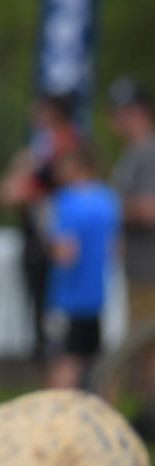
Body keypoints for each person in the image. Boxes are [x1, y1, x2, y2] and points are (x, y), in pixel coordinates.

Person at [0, 92, 80, 359]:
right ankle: (51, 370)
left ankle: (59, 376)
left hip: (53, 242)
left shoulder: (64, 145)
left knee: (53, 318)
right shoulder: (43, 147)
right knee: (42, 316)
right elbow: (6, 193)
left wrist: (21, 187)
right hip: (39, 239)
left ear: (52, 113)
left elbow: (16, 192)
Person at [41, 146, 120, 389]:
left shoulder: (66, 201)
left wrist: (46, 245)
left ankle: (58, 422)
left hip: (68, 297)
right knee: (99, 362)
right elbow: (117, 248)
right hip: (99, 296)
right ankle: (103, 420)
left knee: (65, 361)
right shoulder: (110, 200)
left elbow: (65, 253)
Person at [108, 76, 155, 437]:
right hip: (138, 269)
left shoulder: (148, 152)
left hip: (149, 271)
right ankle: (146, 417)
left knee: (139, 346)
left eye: (120, 111)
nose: (114, 118)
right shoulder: (133, 153)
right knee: (144, 351)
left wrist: (111, 209)